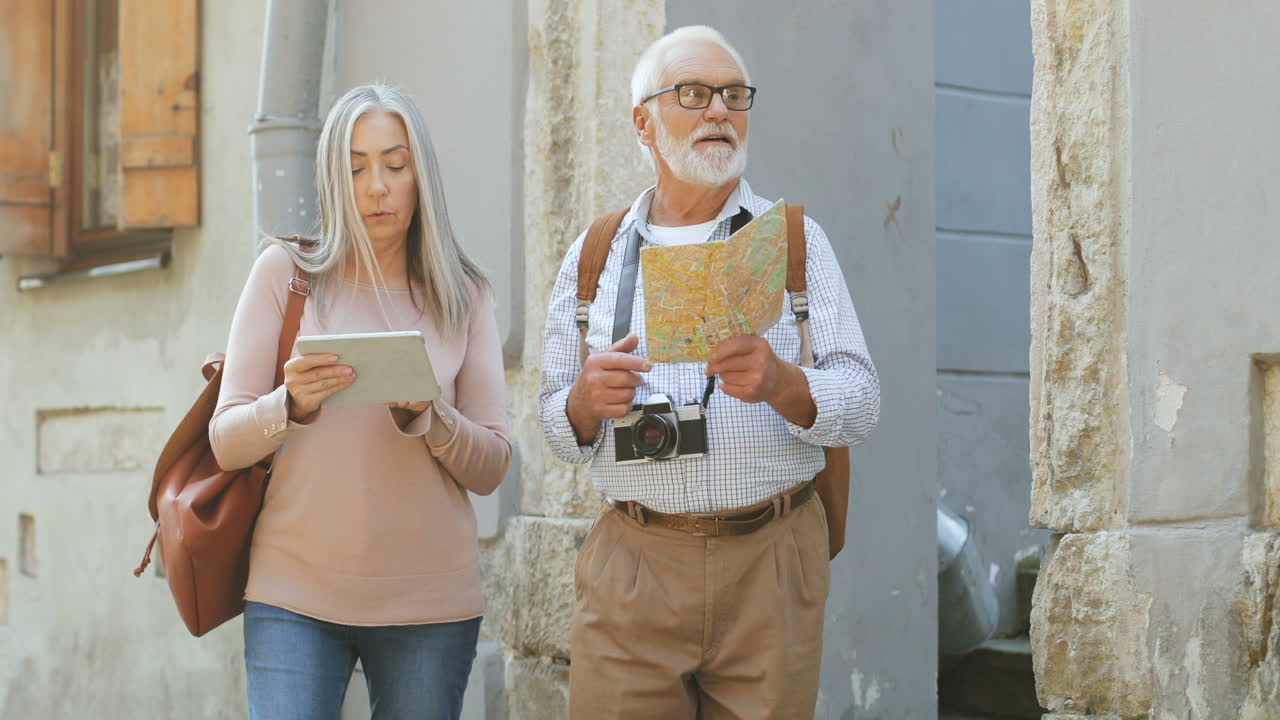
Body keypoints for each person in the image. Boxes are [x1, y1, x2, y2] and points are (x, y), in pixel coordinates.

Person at [538, 26, 880, 719]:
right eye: (692, 94)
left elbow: (864, 399)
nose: (719, 111)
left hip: (771, 562)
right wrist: (580, 403)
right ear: (644, 121)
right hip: (633, 563)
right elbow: (551, 423)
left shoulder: (793, 240)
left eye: (732, 95)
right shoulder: (593, 256)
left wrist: (785, 384)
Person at [210, 84, 510, 720]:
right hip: (293, 597)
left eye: (395, 165)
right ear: (331, 179)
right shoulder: (285, 275)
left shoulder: (466, 294)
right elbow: (225, 439)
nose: (377, 186)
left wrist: (430, 416)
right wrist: (287, 405)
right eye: (356, 168)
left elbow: (492, 468)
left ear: (419, 173)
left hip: (432, 606)